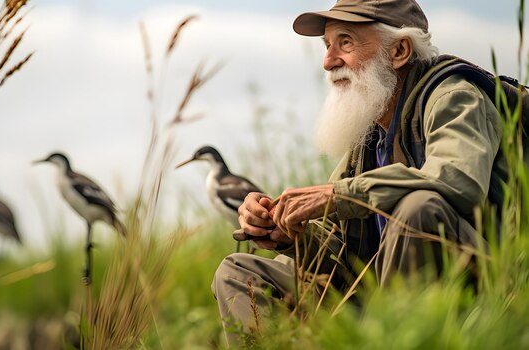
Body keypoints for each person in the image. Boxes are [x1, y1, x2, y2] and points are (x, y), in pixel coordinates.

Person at [211, 0, 505, 345]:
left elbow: (457, 179)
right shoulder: (371, 135)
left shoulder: (454, 96)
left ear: (399, 50)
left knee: (417, 208)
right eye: (326, 45)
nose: (328, 61)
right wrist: (290, 235)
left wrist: (339, 195)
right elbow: (346, 253)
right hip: (382, 290)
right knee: (239, 271)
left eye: (345, 42)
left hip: (484, 285)